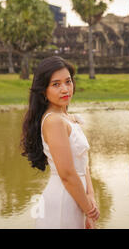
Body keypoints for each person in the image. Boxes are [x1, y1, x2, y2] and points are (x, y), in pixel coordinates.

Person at [20, 56, 99, 229]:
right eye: (56, 84)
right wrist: (89, 210)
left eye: (68, 82)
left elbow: (83, 163)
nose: (65, 89)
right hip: (63, 201)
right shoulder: (54, 121)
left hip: (78, 198)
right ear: (43, 90)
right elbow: (67, 174)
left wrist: (91, 197)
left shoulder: (69, 118)